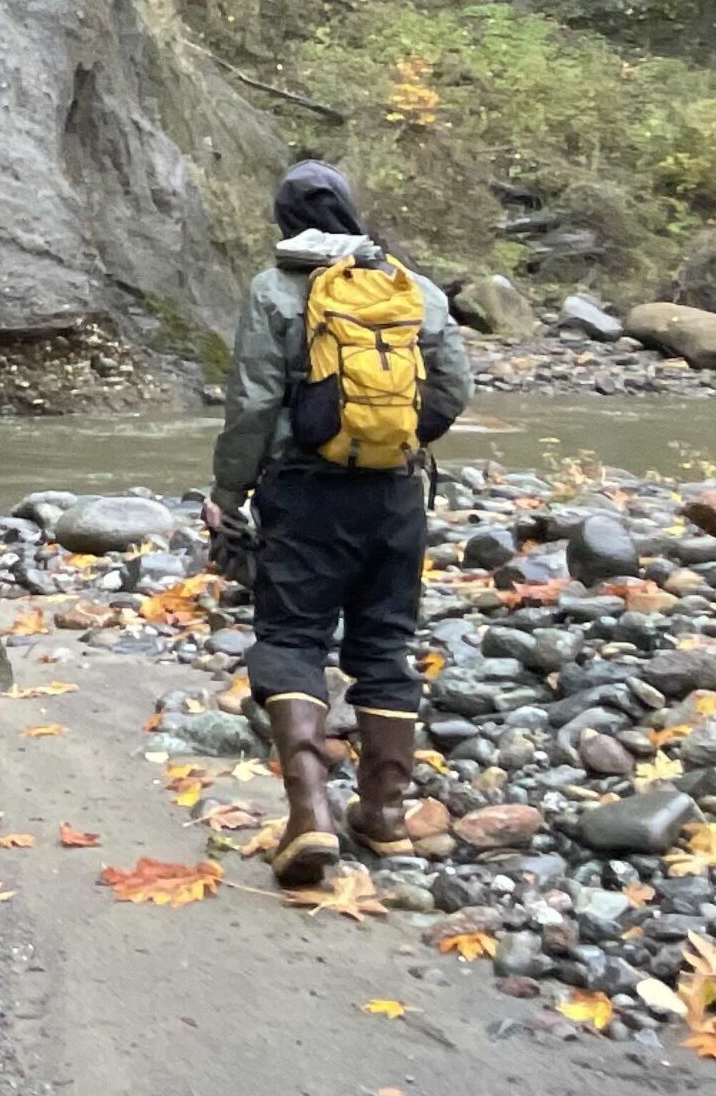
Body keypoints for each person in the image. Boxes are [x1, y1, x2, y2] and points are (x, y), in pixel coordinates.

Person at [206, 161, 473, 888]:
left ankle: (310, 816)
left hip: (305, 495)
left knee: (292, 642)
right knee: (384, 644)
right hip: (394, 495)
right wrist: (400, 440)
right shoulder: (408, 288)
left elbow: (254, 404)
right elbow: (457, 387)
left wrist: (229, 491)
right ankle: (384, 818)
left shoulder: (274, 290)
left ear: (283, 221)